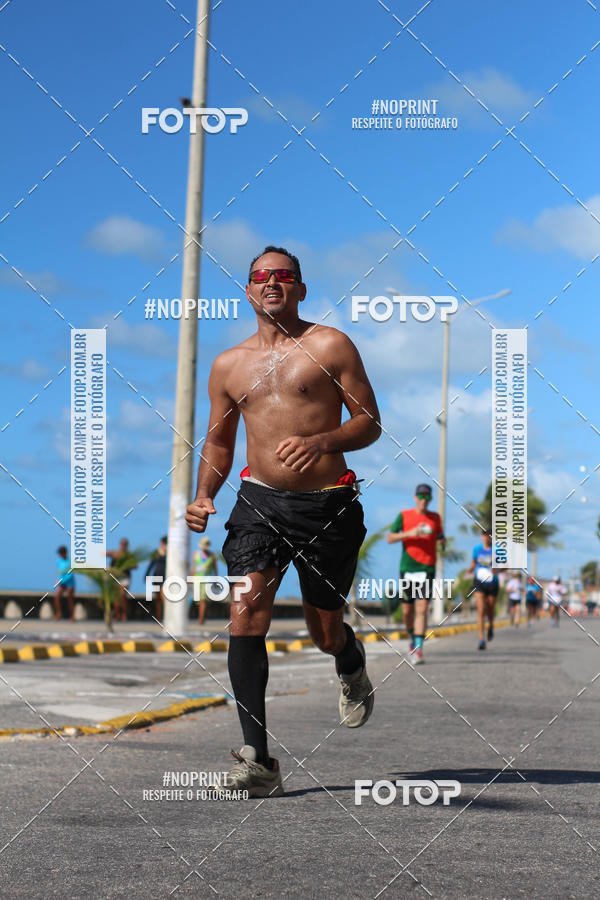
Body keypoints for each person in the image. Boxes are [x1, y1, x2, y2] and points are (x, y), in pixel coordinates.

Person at [185, 246, 380, 798]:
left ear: (300, 287)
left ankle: (347, 655)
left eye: (283, 276)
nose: (271, 283)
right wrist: (204, 496)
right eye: (259, 277)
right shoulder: (228, 365)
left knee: (324, 630)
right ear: (247, 290)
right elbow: (220, 441)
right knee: (246, 612)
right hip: (258, 502)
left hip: (327, 506)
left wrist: (323, 440)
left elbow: (369, 422)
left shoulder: (330, 346)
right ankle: (259, 759)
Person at [386, 484, 445, 664]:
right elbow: (390, 538)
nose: (423, 500)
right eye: (420, 496)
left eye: (427, 497)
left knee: (421, 609)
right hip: (407, 569)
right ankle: (412, 637)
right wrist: (410, 533)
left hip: (427, 568)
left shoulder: (435, 518)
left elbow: (440, 537)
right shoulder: (404, 516)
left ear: (430, 500)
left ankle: (418, 649)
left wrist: (443, 543)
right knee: (407, 611)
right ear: (415, 497)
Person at [466, 529, 499, 650]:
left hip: (493, 582)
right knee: (481, 610)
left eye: (489, 536)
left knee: (490, 609)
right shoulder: (476, 549)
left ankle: (490, 626)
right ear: (481, 537)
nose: (486, 538)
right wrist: (470, 569)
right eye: (484, 535)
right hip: (479, 581)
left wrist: (498, 570)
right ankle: (481, 639)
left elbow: (506, 565)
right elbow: (473, 563)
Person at [106, 538, 136, 622]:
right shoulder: (115, 554)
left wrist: (125, 566)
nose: (123, 546)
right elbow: (107, 554)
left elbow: (135, 566)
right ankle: (118, 615)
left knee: (122, 596)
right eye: (122, 544)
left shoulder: (129, 555)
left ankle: (123, 615)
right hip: (115, 578)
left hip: (125, 578)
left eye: (125, 544)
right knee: (116, 597)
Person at [190, 536, 218, 624]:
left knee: (203, 600)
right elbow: (193, 567)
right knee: (197, 600)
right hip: (197, 579)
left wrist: (216, 581)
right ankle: (200, 616)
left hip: (207, 580)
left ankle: (201, 618)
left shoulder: (212, 556)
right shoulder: (196, 554)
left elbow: (215, 568)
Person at [145, 536, 167, 621]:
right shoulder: (156, 552)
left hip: (166, 577)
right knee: (158, 599)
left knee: (164, 597)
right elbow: (151, 565)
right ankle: (159, 617)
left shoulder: (170, 553)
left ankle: (165, 616)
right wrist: (146, 575)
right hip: (156, 576)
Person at [54, 546, 75, 621]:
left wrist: (61, 581)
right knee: (57, 596)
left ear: (65, 553)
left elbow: (70, 574)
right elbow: (60, 573)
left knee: (70, 599)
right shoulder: (59, 561)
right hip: (62, 583)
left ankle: (72, 616)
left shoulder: (70, 562)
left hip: (70, 583)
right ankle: (59, 614)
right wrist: (59, 581)